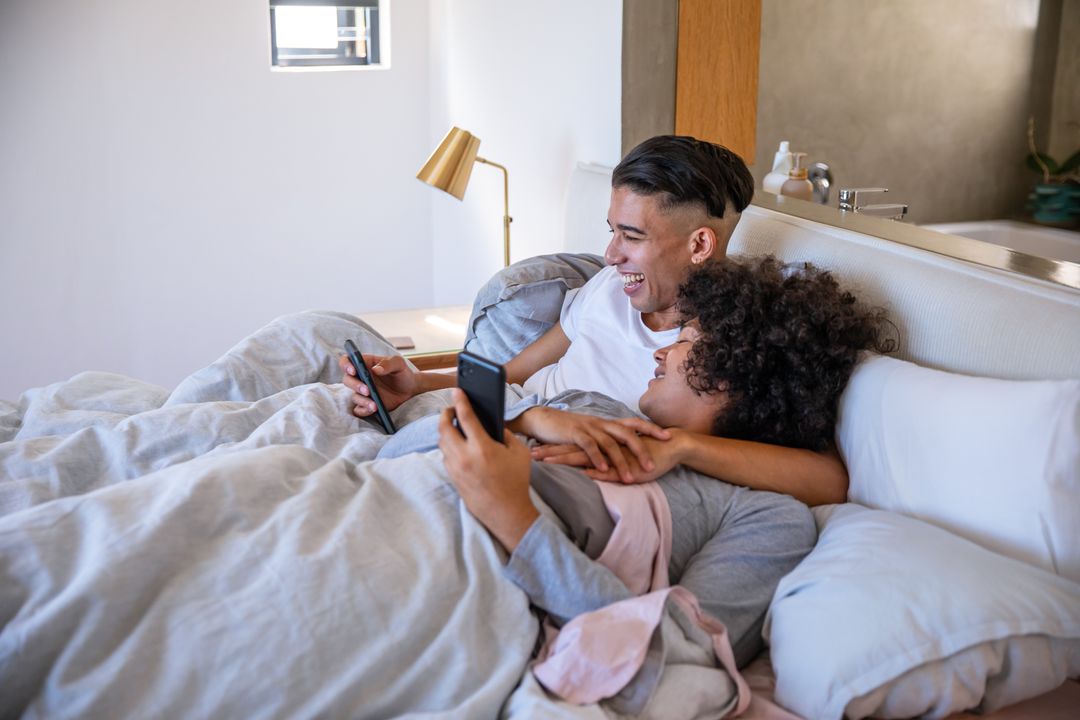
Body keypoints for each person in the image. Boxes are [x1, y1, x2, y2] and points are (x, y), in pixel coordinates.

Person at [381, 256, 894, 672]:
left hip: (432, 568)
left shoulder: (765, 516)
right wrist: (529, 419)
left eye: (687, 342)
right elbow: (392, 455)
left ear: (739, 376)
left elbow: (676, 655)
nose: (663, 353)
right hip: (384, 501)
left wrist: (513, 516)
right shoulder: (591, 409)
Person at [342, 135, 848, 506]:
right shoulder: (610, 288)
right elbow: (514, 374)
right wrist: (417, 382)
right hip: (500, 420)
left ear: (699, 244)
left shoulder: (726, 350)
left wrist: (682, 448)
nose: (609, 256)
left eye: (631, 236)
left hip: (532, 467)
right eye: (611, 231)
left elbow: (828, 478)